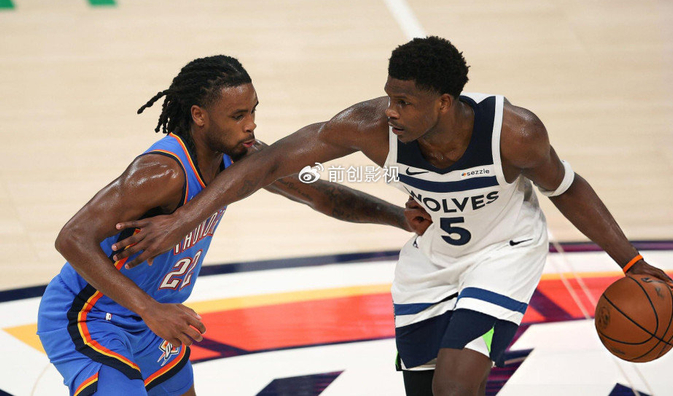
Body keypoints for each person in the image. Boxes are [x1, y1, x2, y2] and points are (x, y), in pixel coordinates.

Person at [112, 38, 673, 396]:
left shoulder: (514, 133)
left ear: (444, 103)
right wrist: (182, 220)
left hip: (503, 255)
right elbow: (271, 162)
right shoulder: (371, 127)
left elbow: (568, 190)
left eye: (405, 102)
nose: (391, 111)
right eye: (389, 97)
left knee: (456, 385)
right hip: (431, 262)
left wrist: (632, 262)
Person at [37, 55, 418, 396]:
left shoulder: (241, 159)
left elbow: (318, 195)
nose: (251, 125)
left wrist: (399, 217)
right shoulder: (161, 173)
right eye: (238, 116)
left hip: (151, 320)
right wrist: (151, 309)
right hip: (92, 317)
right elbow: (71, 238)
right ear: (199, 115)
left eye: (253, 111)